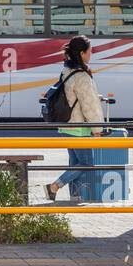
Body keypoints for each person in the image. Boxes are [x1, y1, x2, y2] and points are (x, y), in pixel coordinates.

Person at [45, 36, 107, 202]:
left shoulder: (67, 71)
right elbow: (90, 105)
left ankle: (75, 198)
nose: (91, 54)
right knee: (87, 164)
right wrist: (97, 129)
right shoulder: (82, 76)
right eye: (89, 51)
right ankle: (54, 186)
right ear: (82, 53)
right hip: (78, 128)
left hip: (66, 126)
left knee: (75, 164)